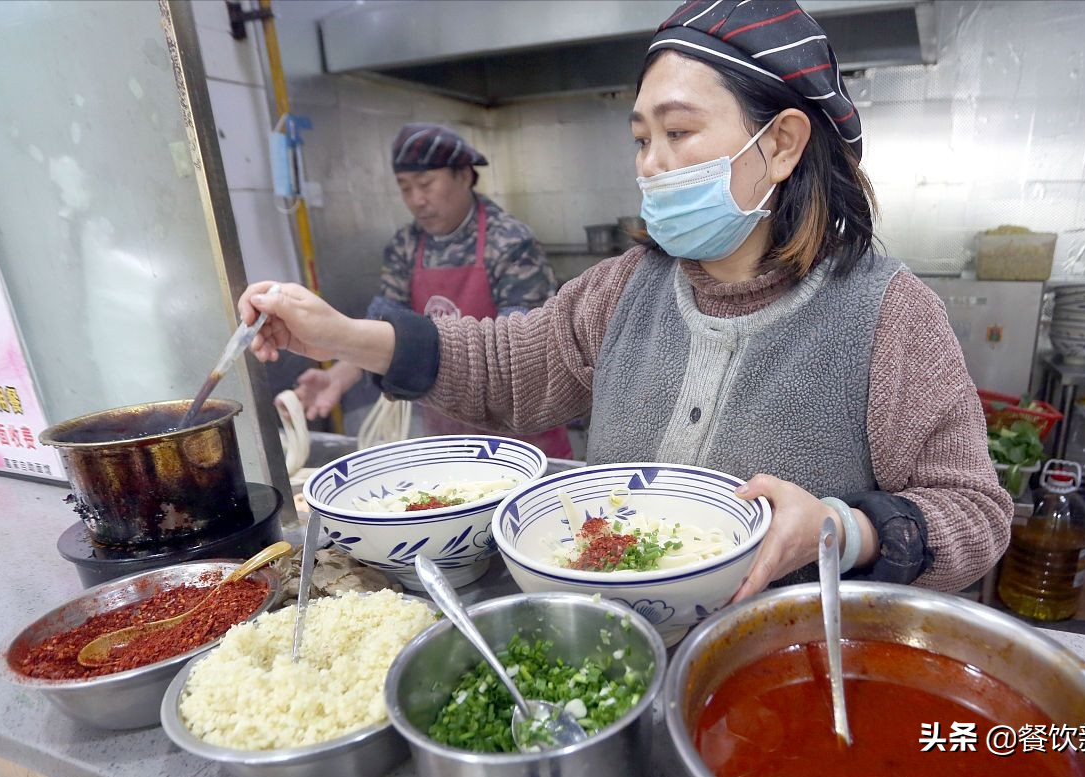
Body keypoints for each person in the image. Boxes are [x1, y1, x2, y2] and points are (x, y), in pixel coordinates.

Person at [240, 0, 1011, 598]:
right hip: (609, 657)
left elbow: (975, 513)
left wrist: (846, 528)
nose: (653, 164)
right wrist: (344, 335)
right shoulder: (624, 288)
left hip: (775, 671)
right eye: (642, 139)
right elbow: (508, 368)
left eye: (680, 133)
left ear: (779, 144)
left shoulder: (887, 315)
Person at [291, 122, 573, 459]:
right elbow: (383, 328)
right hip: (446, 438)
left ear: (465, 176)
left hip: (519, 438)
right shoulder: (405, 247)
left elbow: (523, 352)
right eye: (405, 188)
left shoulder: (510, 242)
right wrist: (338, 375)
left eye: (426, 184)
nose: (416, 200)